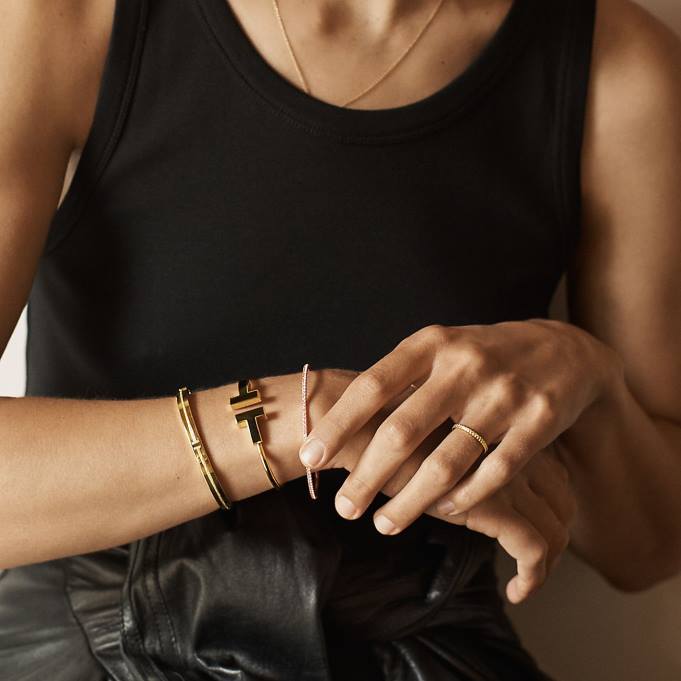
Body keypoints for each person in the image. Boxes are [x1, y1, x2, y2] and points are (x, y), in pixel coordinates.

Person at [0, 0, 680, 678]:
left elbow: (647, 552)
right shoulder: (64, 17)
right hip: (88, 645)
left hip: (426, 650)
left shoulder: (619, 68)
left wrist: (591, 379)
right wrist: (304, 418)